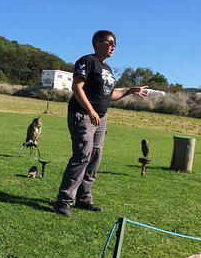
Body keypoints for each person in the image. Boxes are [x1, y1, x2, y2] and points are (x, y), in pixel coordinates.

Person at [54, 30, 148, 217]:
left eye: (115, 43)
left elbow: (109, 95)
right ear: (98, 43)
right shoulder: (87, 61)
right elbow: (77, 87)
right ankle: (63, 201)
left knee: (95, 157)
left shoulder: (108, 69)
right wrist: (90, 111)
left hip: (100, 118)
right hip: (83, 114)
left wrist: (129, 91)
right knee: (82, 155)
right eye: (110, 42)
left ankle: (84, 198)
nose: (114, 46)